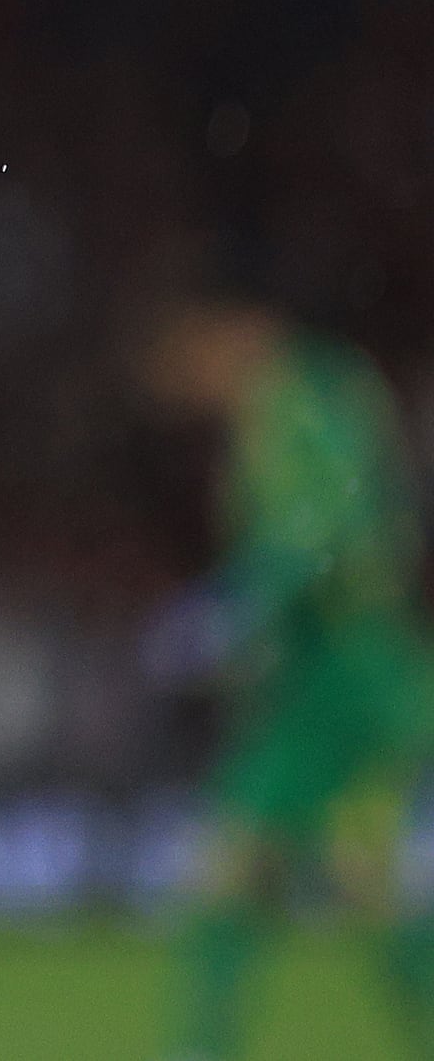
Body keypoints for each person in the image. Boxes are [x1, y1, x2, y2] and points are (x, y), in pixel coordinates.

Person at [134, 271, 434, 1061]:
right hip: (305, 697)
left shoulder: (304, 397)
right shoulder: (297, 400)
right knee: (230, 890)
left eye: (187, 350)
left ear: (228, 327)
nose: (187, 376)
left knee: (368, 892)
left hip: (353, 692)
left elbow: (330, 529)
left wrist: (243, 601)